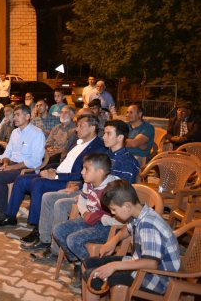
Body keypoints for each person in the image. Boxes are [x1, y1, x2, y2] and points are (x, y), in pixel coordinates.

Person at [28, 119, 141, 264]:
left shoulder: (127, 163)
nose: (104, 137)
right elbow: (90, 176)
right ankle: (46, 240)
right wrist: (78, 188)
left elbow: (120, 196)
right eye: (104, 133)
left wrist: (85, 197)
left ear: (120, 137)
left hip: (106, 208)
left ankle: (57, 252)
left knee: (60, 203)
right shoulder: (105, 154)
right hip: (89, 193)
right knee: (49, 197)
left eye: (108, 134)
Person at [0, 114, 107, 230]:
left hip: (69, 181)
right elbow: (67, 163)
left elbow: (83, 174)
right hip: (59, 173)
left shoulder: (97, 147)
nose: (77, 129)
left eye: (81, 126)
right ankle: (10, 217)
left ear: (92, 128)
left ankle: (37, 227)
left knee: (38, 183)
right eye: (77, 126)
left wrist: (56, 176)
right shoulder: (78, 142)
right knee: (21, 179)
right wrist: (52, 169)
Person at [82, 180, 180, 296]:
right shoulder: (138, 213)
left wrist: (114, 266)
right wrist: (114, 241)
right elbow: (127, 229)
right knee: (89, 263)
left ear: (127, 206)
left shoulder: (148, 225)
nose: (113, 213)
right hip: (139, 264)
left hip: (156, 278)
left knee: (93, 276)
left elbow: (151, 263)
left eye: (114, 209)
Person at [52, 153, 121, 287]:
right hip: (90, 218)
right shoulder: (89, 183)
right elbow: (82, 200)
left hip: (108, 227)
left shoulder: (114, 188)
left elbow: (124, 218)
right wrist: (84, 213)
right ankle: (79, 261)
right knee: (58, 230)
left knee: (73, 239)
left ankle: (93, 266)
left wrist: (103, 218)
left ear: (100, 172)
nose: (82, 172)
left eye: (86, 169)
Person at [0, 105, 46, 217]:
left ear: (28, 116)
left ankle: (5, 211)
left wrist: (13, 167)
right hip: (11, 164)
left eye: (18, 115)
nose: (15, 118)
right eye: (14, 115)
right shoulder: (15, 132)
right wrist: (5, 163)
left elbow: (35, 160)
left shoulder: (37, 133)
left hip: (27, 168)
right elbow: (7, 153)